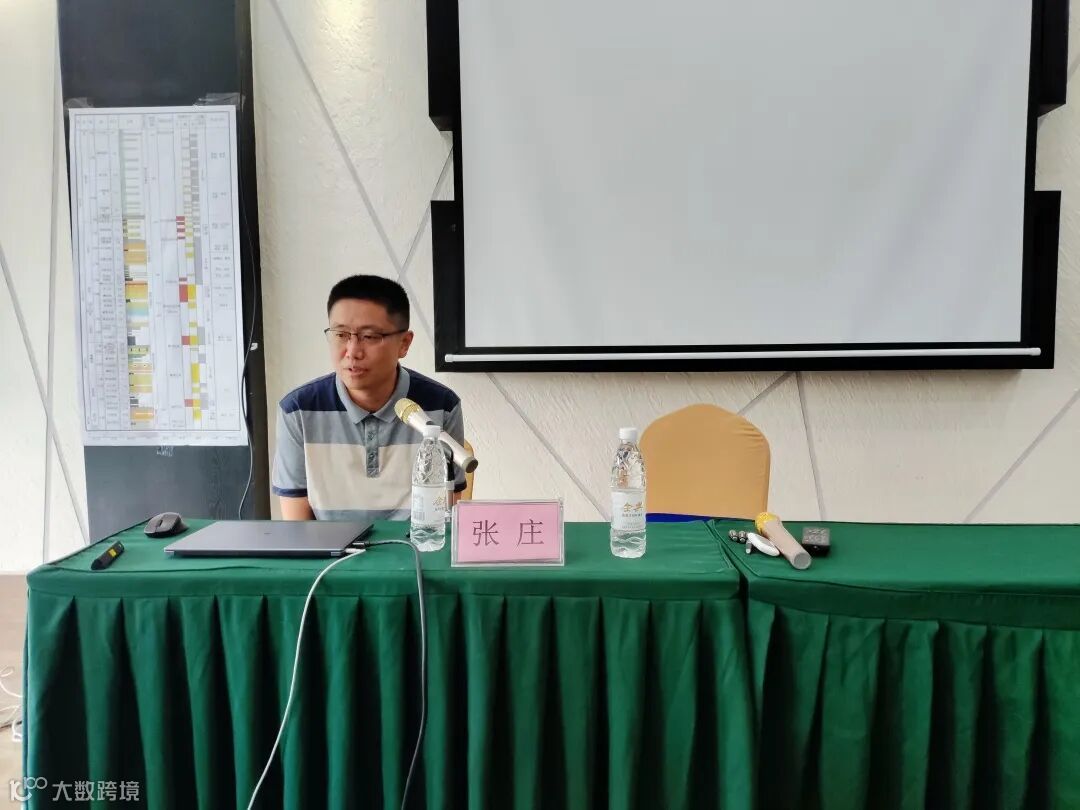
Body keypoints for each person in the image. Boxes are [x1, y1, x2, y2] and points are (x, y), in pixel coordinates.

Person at [272, 275, 466, 521]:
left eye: (370, 336)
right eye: (341, 334)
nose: (352, 351)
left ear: (404, 343)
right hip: (329, 547)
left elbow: (443, 520)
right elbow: (298, 529)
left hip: (416, 545)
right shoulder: (298, 411)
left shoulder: (441, 407)